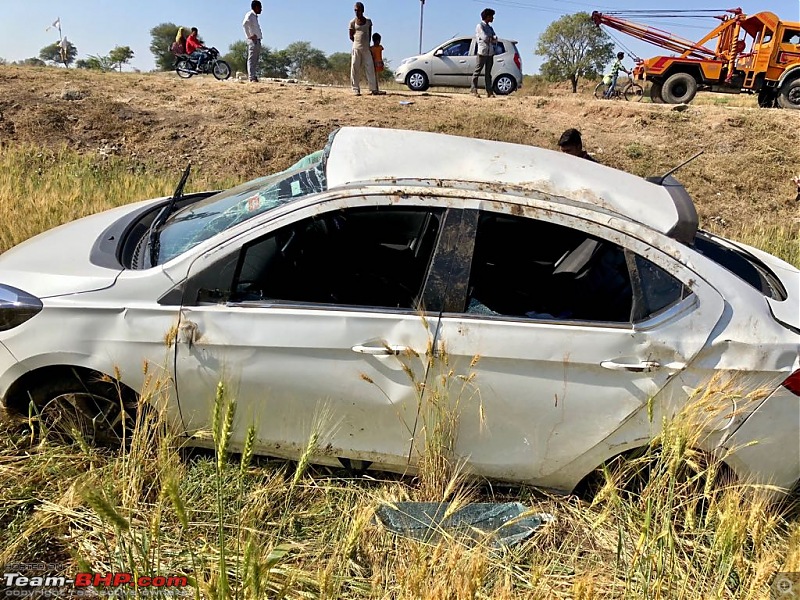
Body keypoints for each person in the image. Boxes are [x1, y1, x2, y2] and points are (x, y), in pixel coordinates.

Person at [349, 3, 383, 96]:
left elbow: (370, 34)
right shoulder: (352, 22)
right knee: (355, 67)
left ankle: (373, 89)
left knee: (370, 67)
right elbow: (351, 36)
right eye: (355, 10)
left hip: (366, 48)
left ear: (363, 10)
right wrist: (358, 43)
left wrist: (368, 45)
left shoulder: (368, 22)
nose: (357, 12)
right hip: (356, 48)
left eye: (358, 10)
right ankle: (355, 89)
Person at [471, 8, 498, 98]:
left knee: (488, 73)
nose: (493, 18)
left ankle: (489, 91)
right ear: (487, 16)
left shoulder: (490, 28)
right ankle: (473, 89)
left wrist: (492, 39)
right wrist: (491, 39)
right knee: (477, 71)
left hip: (490, 52)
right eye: (491, 16)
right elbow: (485, 38)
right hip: (482, 52)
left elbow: (495, 38)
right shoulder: (480, 26)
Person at [242, 1, 263, 82]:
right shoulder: (250, 15)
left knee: (255, 59)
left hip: (257, 40)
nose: (261, 9)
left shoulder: (254, 16)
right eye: (260, 7)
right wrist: (249, 36)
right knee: (251, 59)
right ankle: (251, 77)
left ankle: (253, 75)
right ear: (256, 7)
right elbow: (244, 24)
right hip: (253, 40)